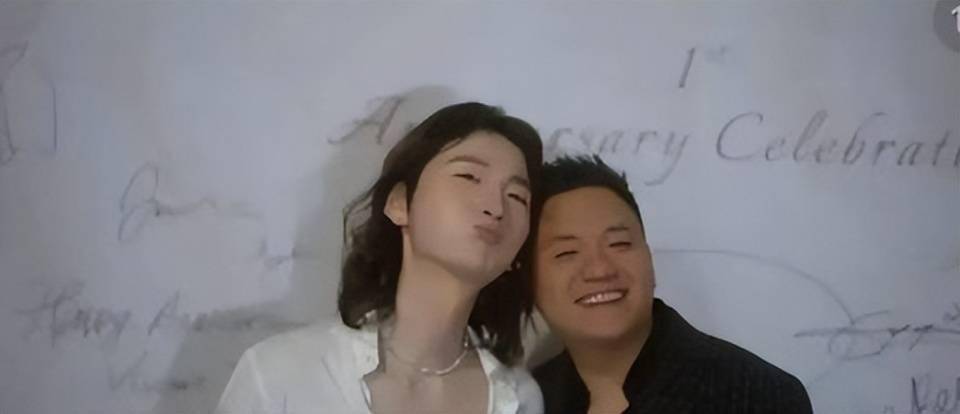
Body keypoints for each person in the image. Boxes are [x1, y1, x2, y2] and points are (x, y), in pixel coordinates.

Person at [216, 102, 544, 414]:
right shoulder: (280, 372)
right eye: (469, 177)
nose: (495, 207)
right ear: (399, 203)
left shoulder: (519, 398)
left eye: (517, 196)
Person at [530, 155, 812, 414]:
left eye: (619, 244)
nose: (600, 269)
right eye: (566, 253)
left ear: (649, 258)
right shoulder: (525, 399)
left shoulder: (759, 393)